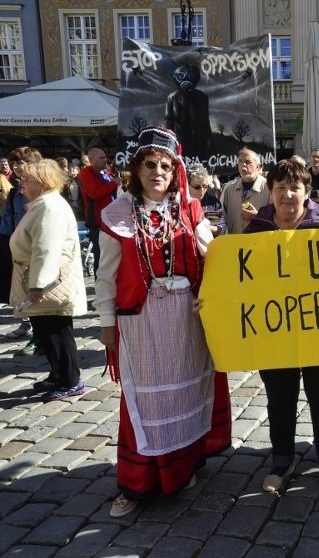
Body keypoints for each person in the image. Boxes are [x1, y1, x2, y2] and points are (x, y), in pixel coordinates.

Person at [94, 126, 231, 518]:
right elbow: (106, 275)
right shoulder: (118, 214)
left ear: (175, 171)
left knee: (185, 394)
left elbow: (215, 255)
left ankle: (182, 469)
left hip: (186, 317)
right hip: (142, 318)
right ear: (137, 169)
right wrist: (106, 322)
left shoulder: (189, 209)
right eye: (150, 164)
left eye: (166, 166)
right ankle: (138, 485)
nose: (158, 172)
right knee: (145, 401)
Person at [244, 159, 319, 494]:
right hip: (274, 332)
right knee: (280, 397)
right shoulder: (255, 230)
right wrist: (215, 301)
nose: (288, 194)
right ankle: (281, 459)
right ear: (270, 192)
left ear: (307, 192)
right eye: (280, 188)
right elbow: (238, 279)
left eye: (295, 188)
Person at [10, 159, 88, 401]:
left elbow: (46, 248)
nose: (21, 183)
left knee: (57, 332)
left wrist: (38, 284)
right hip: (38, 277)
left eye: (27, 179)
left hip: (49, 283)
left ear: (42, 184)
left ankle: (70, 380)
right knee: (46, 331)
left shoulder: (50, 207)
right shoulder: (41, 204)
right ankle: (58, 375)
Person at [1, 147, 43, 351]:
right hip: (19, 249)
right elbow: (7, 222)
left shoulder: (43, 190)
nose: (17, 167)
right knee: (24, 292)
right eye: (14, 163)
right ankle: (34, 330)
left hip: (38, 247)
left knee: (40, 292)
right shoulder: (13, 193)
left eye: (21, 162)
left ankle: (42, 336)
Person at [78, 147, 119, 277]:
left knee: (113, 257)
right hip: (98, 223)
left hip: (112, 222)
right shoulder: (85, 173)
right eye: (101, 157)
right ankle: (100, 290)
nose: (105, 159)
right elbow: (94, 193)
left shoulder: (106, 173)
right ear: (91, 160)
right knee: (101, 258)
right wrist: (114, 184)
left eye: (105, 157)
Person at [220, 148, 269, 234]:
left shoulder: (269, 188)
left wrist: (257, 217)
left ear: (258, 166)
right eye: (240, 161)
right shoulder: (229, 189)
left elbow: (278, 220)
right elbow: (222, 220)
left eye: (248, 162)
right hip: (235, 244)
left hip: (260, 244)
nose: (243, 165)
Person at [187, 164, 226, 237]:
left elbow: (221, 228)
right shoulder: (179, 203)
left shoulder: (212, 202)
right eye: (197, 187)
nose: (202, 190)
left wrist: (203, 227)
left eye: (205, 186)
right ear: (187, 185)